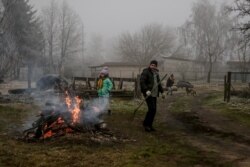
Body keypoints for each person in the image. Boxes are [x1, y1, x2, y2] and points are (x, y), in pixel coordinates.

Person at [140, 60, 164, 132]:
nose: (153, 66)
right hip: (148, 93)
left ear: (156, 66)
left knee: (154, 110)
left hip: (154, 94)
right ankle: (146, 125)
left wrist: (162, 92)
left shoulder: (156, 73)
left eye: (155, 65)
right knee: (152, 109)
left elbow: (159, 83)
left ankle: (149, 124)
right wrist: (146, 90)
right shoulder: (145, 72)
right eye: (152, 65)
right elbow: (142, 81)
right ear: (150, 65)